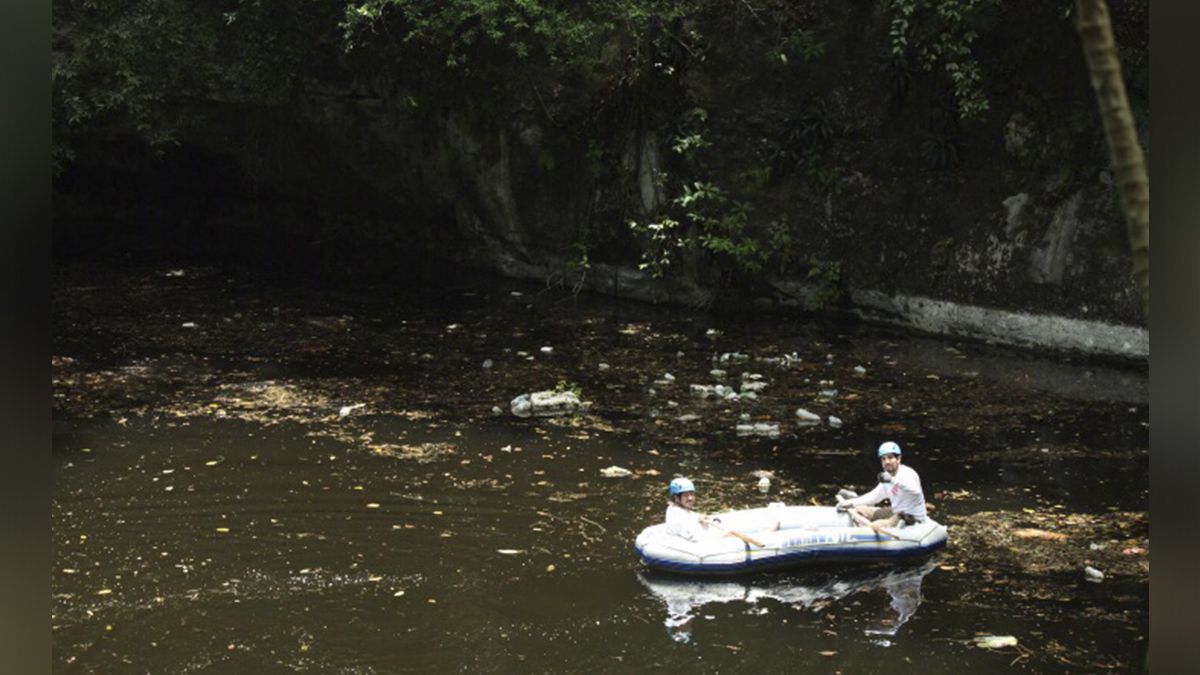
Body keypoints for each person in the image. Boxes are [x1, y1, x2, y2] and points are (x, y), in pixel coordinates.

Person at [837, 441, 927, 528]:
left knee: (872, 527)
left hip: (910, 518)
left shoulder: (907, 474)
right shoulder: (886, 477)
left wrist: (892, 480)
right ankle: (854, 501)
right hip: (896, 512)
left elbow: (916, 492)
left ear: (898, 459)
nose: (887, 462)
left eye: (890, 457)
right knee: (860, 510)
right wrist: (850, 503)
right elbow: (874, 497)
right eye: (883, 459)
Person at [664, 477, 716, 542]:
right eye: (686, 495)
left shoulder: (676, 508)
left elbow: (689, 516)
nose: (690, 498)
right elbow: (694, 539)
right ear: (676, 498)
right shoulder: (676, 516)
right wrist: (722, 537)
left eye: (691, 494)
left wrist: (698, 517)